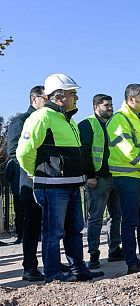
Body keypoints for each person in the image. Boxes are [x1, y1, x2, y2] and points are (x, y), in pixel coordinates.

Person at [16, 73, 104, 282]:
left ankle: (78, 270)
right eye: (72, 93)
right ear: (58, 96)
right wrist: (35, 174)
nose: (76, 97)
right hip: (52, 186)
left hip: (72, 186)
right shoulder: (41, 117)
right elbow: (23, 152)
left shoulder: (68, 120)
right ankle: (53, 275)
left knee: (75, 230)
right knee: (53, 233)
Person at [107, 83, 140, 274]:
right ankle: (131, 262)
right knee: (130, 221)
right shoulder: (119, 120)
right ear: (131, 100)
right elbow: (129, 151)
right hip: (128, 177)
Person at [5, 85, 46, 281]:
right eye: (46, 98)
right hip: (29, 179)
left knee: (50, 224)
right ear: (34, 99)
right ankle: (29, 266)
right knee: (31, 224)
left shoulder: (50, 120)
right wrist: (34, 168)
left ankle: (51, 260)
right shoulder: (20, 121)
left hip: (50, 180)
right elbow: (13, 151)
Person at [78, 94, 122, 269]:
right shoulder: (88, 124)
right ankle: (94, 254)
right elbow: (85, 151)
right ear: (96, 107)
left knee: (116, 216)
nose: (110, 108)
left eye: (111, 105)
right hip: (98, 179)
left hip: (115, 176)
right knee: (95, 218)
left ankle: (114, 249)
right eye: (106, 105)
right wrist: (90, 175)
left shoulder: (114, 124)